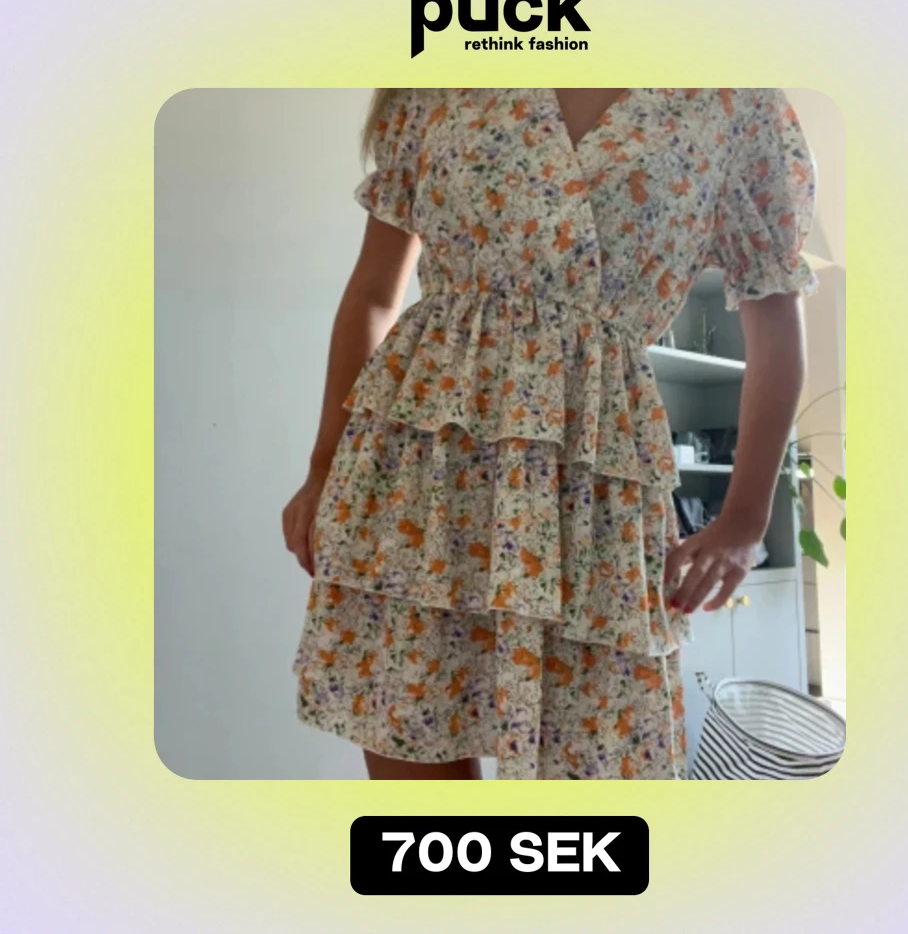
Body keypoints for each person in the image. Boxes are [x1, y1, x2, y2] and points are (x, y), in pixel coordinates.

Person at [282, 87, 818, 780]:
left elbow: (775, 321)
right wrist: (325, 466)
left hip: (592, 486)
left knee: (591, 774)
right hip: (422, 471)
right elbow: (374, 294)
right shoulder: (439, 79)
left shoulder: (733, 98)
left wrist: (745, 519)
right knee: (412, 748)